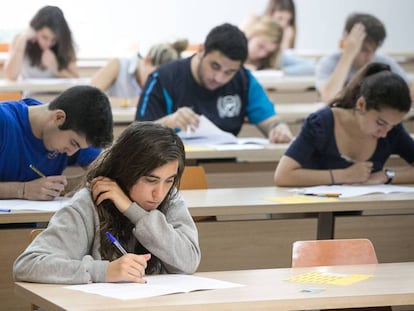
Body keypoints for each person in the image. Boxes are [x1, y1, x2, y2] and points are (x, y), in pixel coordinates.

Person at [13, 122, 201, 284]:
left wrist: (132, 211)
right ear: (126, 171)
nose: (159, 193)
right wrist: (104, 271)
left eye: (169, 180)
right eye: (150, 180)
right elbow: (28, 265)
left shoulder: (171, 199)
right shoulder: (88, 203)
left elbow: (188, 261)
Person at [135, 23, 293, 143]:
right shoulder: (163, 78)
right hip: (172, 168)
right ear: (202, 50)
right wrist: (167, 123)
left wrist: (277, 128)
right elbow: (135, 138)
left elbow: (269, 120)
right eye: (214, 66)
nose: (219, 77)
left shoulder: (244, 79)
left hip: (226, 165)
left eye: (229, 72)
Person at [274, 62, 414, 187]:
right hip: (309, 211)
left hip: (357, 212)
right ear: (361, 104)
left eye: (392, 125)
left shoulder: (392, 131)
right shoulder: (322, 123)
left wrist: (386, 176)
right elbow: (283, 175)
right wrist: (344, 175)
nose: (384, 133)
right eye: (380, 123)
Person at [0, 85, 113, 200]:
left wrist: (58, 186)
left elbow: (106, 174)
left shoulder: (79, 131)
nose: (71, 153)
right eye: (73, 143)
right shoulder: (4, 121)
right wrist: (23, 190)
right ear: (59, 117)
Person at [315, 12, 413, 103]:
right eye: (364, 49)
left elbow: (409, 91)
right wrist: (348, 54)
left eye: (374, 50)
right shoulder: (328, 63)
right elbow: (330, 98)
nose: (370, 56)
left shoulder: (382, 61)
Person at [90, 39, 188, 103]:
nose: (157, 82)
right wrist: (130, 102)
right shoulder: (118, 65)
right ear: (148, 60)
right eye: (157, 76)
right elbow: (88, 98)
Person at [4, 5, 78, 80]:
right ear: (35, 30)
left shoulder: (64, 45)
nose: (49, 43)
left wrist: (55, 69)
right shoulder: (20, 40)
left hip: (59, 92)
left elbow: (76, 79)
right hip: (30, 91)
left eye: (54, 40)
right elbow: (11, 76)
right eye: (44, 37)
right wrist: (22, 41)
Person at [242, 16, 315, 75]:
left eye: (268, 52)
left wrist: (280, 72)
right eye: (260, 46)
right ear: (250, 36)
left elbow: (313, 67)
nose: (263, 55)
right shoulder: (234, 47)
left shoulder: (274, 57)